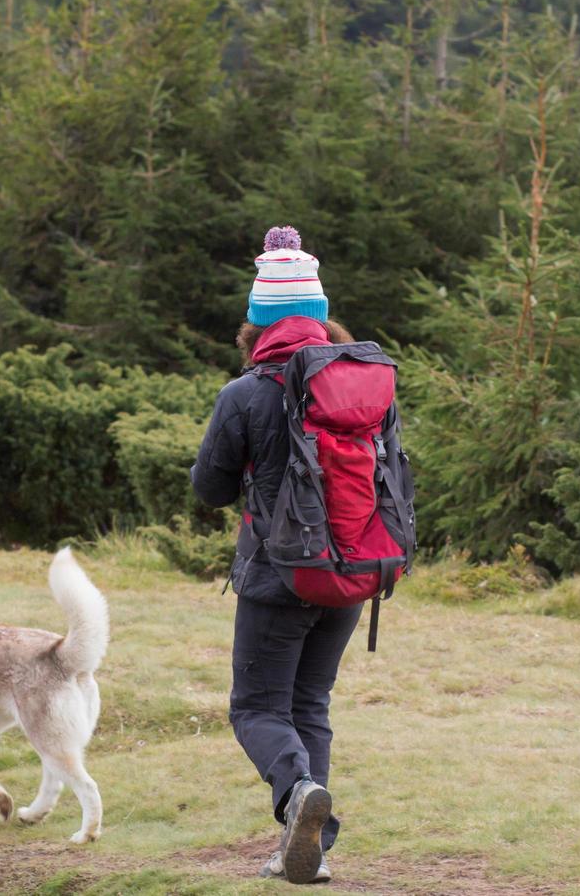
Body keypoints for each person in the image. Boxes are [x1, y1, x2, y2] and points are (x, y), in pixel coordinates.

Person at [191, 225, 359, 885]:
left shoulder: (245, 394)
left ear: (257, 323)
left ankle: (298, 800)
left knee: (257, 708)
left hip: (280, 576)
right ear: (318, 319)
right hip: (351, 575)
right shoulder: (360, 383)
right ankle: (309, 848)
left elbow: (209, 489)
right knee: (309, 704)